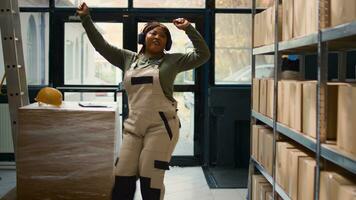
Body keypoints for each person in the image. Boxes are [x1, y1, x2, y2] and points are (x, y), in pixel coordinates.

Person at [77, 2, 210, 200]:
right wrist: (86, 19)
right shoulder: (127, 59)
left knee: (151, 179)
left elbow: (203, 55)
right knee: (121, 178)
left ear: (166, 43)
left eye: (163, 35)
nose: (157, 37)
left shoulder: (173, 61)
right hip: (133, 128)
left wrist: (189, 28)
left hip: (161, 127)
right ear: (143, 37)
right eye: (153, 33)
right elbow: (101, 45)